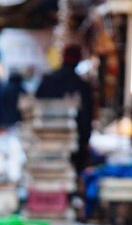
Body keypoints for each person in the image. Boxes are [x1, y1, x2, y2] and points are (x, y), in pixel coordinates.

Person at [36, 45, 93, 175]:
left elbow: (37, 106)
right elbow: (86, 119)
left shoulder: (48, 80)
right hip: (73, 144)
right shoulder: (82, 85)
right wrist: (85, 142)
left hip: (47, 140)